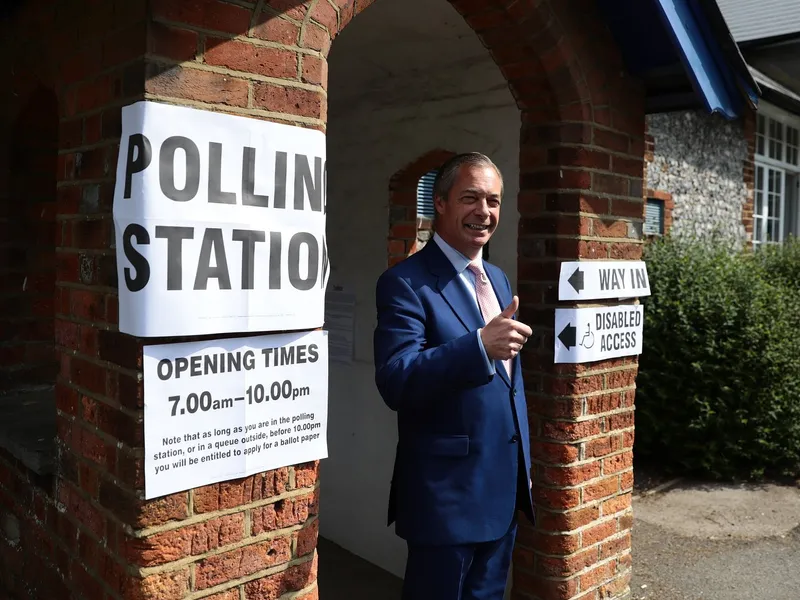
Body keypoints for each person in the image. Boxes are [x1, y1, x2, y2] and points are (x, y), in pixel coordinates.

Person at [373, 152, 535, 599]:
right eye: (471, 198)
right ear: (439, 203)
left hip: (501, 492)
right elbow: (396, 378)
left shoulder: (499, 279)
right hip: (446, 501)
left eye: (494, 201)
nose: (484, 212)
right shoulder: (405, 283)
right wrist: (479, 346)